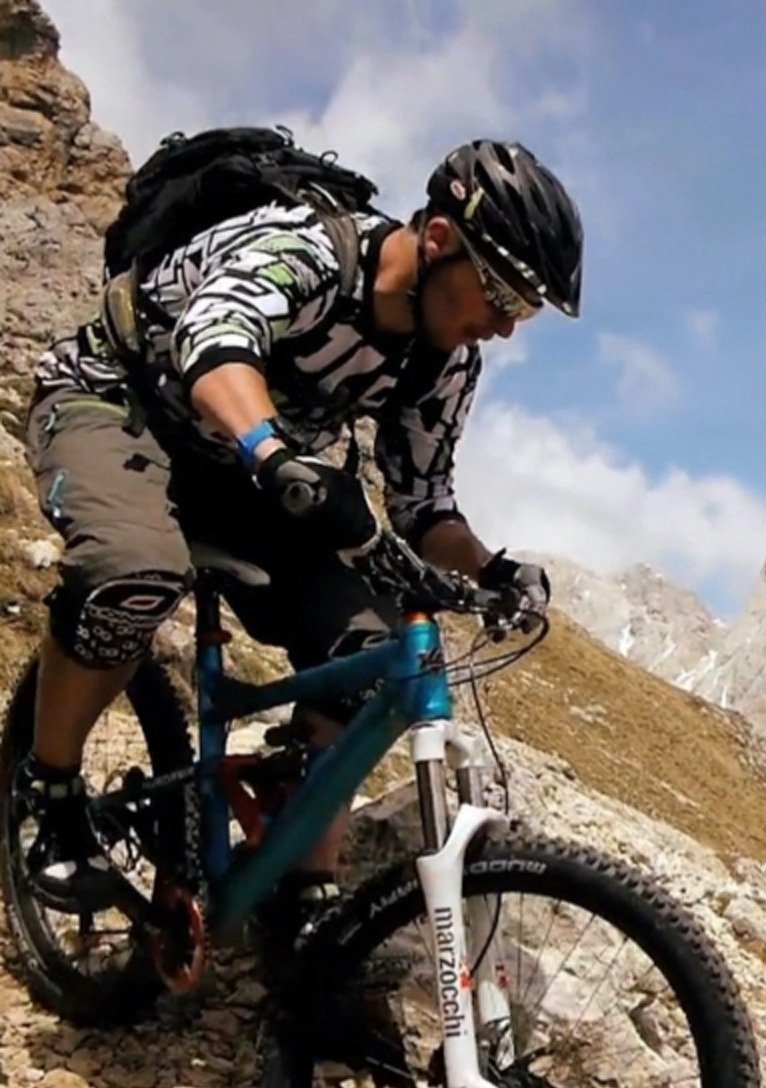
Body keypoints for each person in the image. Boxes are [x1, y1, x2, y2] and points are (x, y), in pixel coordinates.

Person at [19, 137, 583, 944]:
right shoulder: (307, 248)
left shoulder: (444, 363)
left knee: (374, 656)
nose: (501, 328)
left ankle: (300, 896)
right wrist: (275, 453)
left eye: (522, 311)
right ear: (436, 240)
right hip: (117, 403)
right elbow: (214, 345)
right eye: (500, 294)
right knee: (131, 572)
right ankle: (52, 793)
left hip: (247, 468)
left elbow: (424, 503)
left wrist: (493, 570)